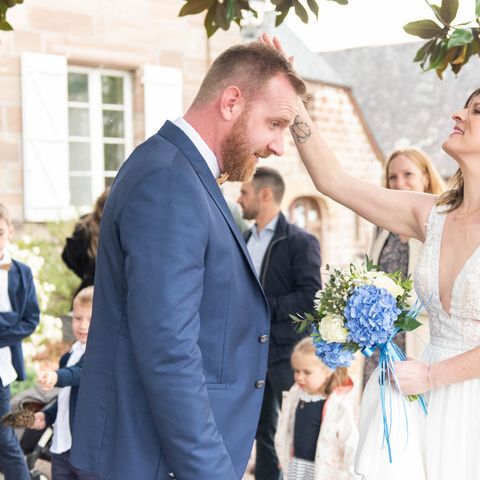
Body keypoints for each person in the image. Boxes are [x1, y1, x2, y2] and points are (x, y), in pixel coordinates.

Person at [263, 33, 480, 479]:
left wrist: (431, 377)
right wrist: (294, 105)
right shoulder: (431, 215)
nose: (458, 114)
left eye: (476, 111)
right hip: (427, 400)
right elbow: (335, 181)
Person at [70, 42, 307, 479]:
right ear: (232, 101)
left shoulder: (181, 170)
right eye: (274, 124)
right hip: (152, 459)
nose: (278, 146)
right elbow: (167, 349)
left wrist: (280, 87)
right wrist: (210, 471)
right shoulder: (169, 180)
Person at [237, 166, 322, 480]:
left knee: (299, 431)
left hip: (287, 354)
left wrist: (262, 307)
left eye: (244, 192)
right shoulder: (243, 239)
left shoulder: (300, 242)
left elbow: (311, 297)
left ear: (265, 194)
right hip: (249, 353)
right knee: (262, 433)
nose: (239, 198)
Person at [363, 148, 446, 385]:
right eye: (392, 177)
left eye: (408, 174)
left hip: (420, 340)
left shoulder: (441, 223)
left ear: (426, 177)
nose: (399, 183)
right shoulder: (381, 226)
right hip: (380, 344)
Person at [32, 286, 98, 480]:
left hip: (86, 451)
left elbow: (80, 373)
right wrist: (46, 415)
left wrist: (56, 377)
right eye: (78, 318)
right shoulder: (69, 355)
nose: (82, 325)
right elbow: (65, 398)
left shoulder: (99, 355)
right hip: (61, 445)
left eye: (90, 318)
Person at [275, 337, 360, 480]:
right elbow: (286, 429)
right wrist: (283, 456)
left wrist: (354, 475)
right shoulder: (295, 396)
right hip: (297, 468)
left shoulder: (339, 405)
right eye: (296, 371)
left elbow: (351, 443)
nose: (299, 377)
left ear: (328, 371)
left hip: (325, 472)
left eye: (307, 372)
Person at [0, 203, 40, 480]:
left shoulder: (21, 273)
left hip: (2, 367)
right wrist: (7, 320)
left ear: (10, 232)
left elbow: (29, 319)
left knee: (4, 435)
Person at [61, 188, 109, 298]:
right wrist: (85, 275)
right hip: (91, 286)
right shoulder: (85, 229)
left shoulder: (117, 228)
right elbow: (68, 256)